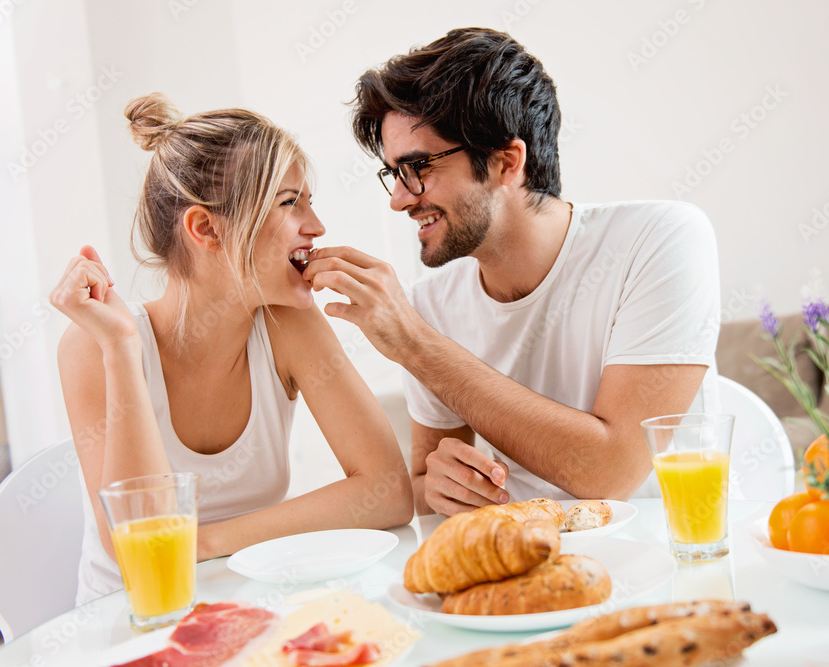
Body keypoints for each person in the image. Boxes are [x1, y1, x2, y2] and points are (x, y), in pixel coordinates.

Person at [304, 28, 721, 517]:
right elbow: (423, 479)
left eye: (418, 167)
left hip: (666, 556)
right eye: (393, 173)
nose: (399, 199)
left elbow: (612, 473)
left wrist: (414, 343)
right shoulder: (431, 305)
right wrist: (441, 485)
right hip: (523, 560)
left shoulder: (659, 239)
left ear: (506, 161)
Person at [52, 94, 414, 604]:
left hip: (251, 601)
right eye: (290, 202)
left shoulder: (291, 324)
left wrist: (208, 541)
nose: (316, 225)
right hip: (135, 622)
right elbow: (140, 541)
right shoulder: (98, 342)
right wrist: (120, 347)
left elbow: (388, 491)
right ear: (206, 229)